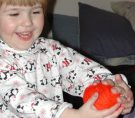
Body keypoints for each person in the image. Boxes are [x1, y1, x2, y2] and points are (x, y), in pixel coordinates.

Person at [0, 0, 134, 118]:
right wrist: (73, 115)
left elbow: (81, 69)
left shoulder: (51, 49)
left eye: (35, 12)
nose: (28, 22)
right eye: (14, 14)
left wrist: (113, 87)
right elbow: (22, 100)